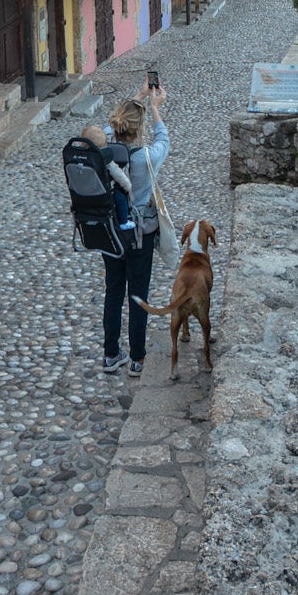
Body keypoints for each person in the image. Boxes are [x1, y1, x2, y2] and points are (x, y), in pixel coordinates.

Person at [100, 86, 169, 377]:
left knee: (113, 290)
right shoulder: (146, 157)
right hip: (140, 234)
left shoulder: (102, 152)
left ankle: (111, 353)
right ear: (138, 128)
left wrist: (136, 99)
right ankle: (137, 359)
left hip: (110, 232)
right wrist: (154, 108)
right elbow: (164, 140)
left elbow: (104, 129)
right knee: (138, 294)